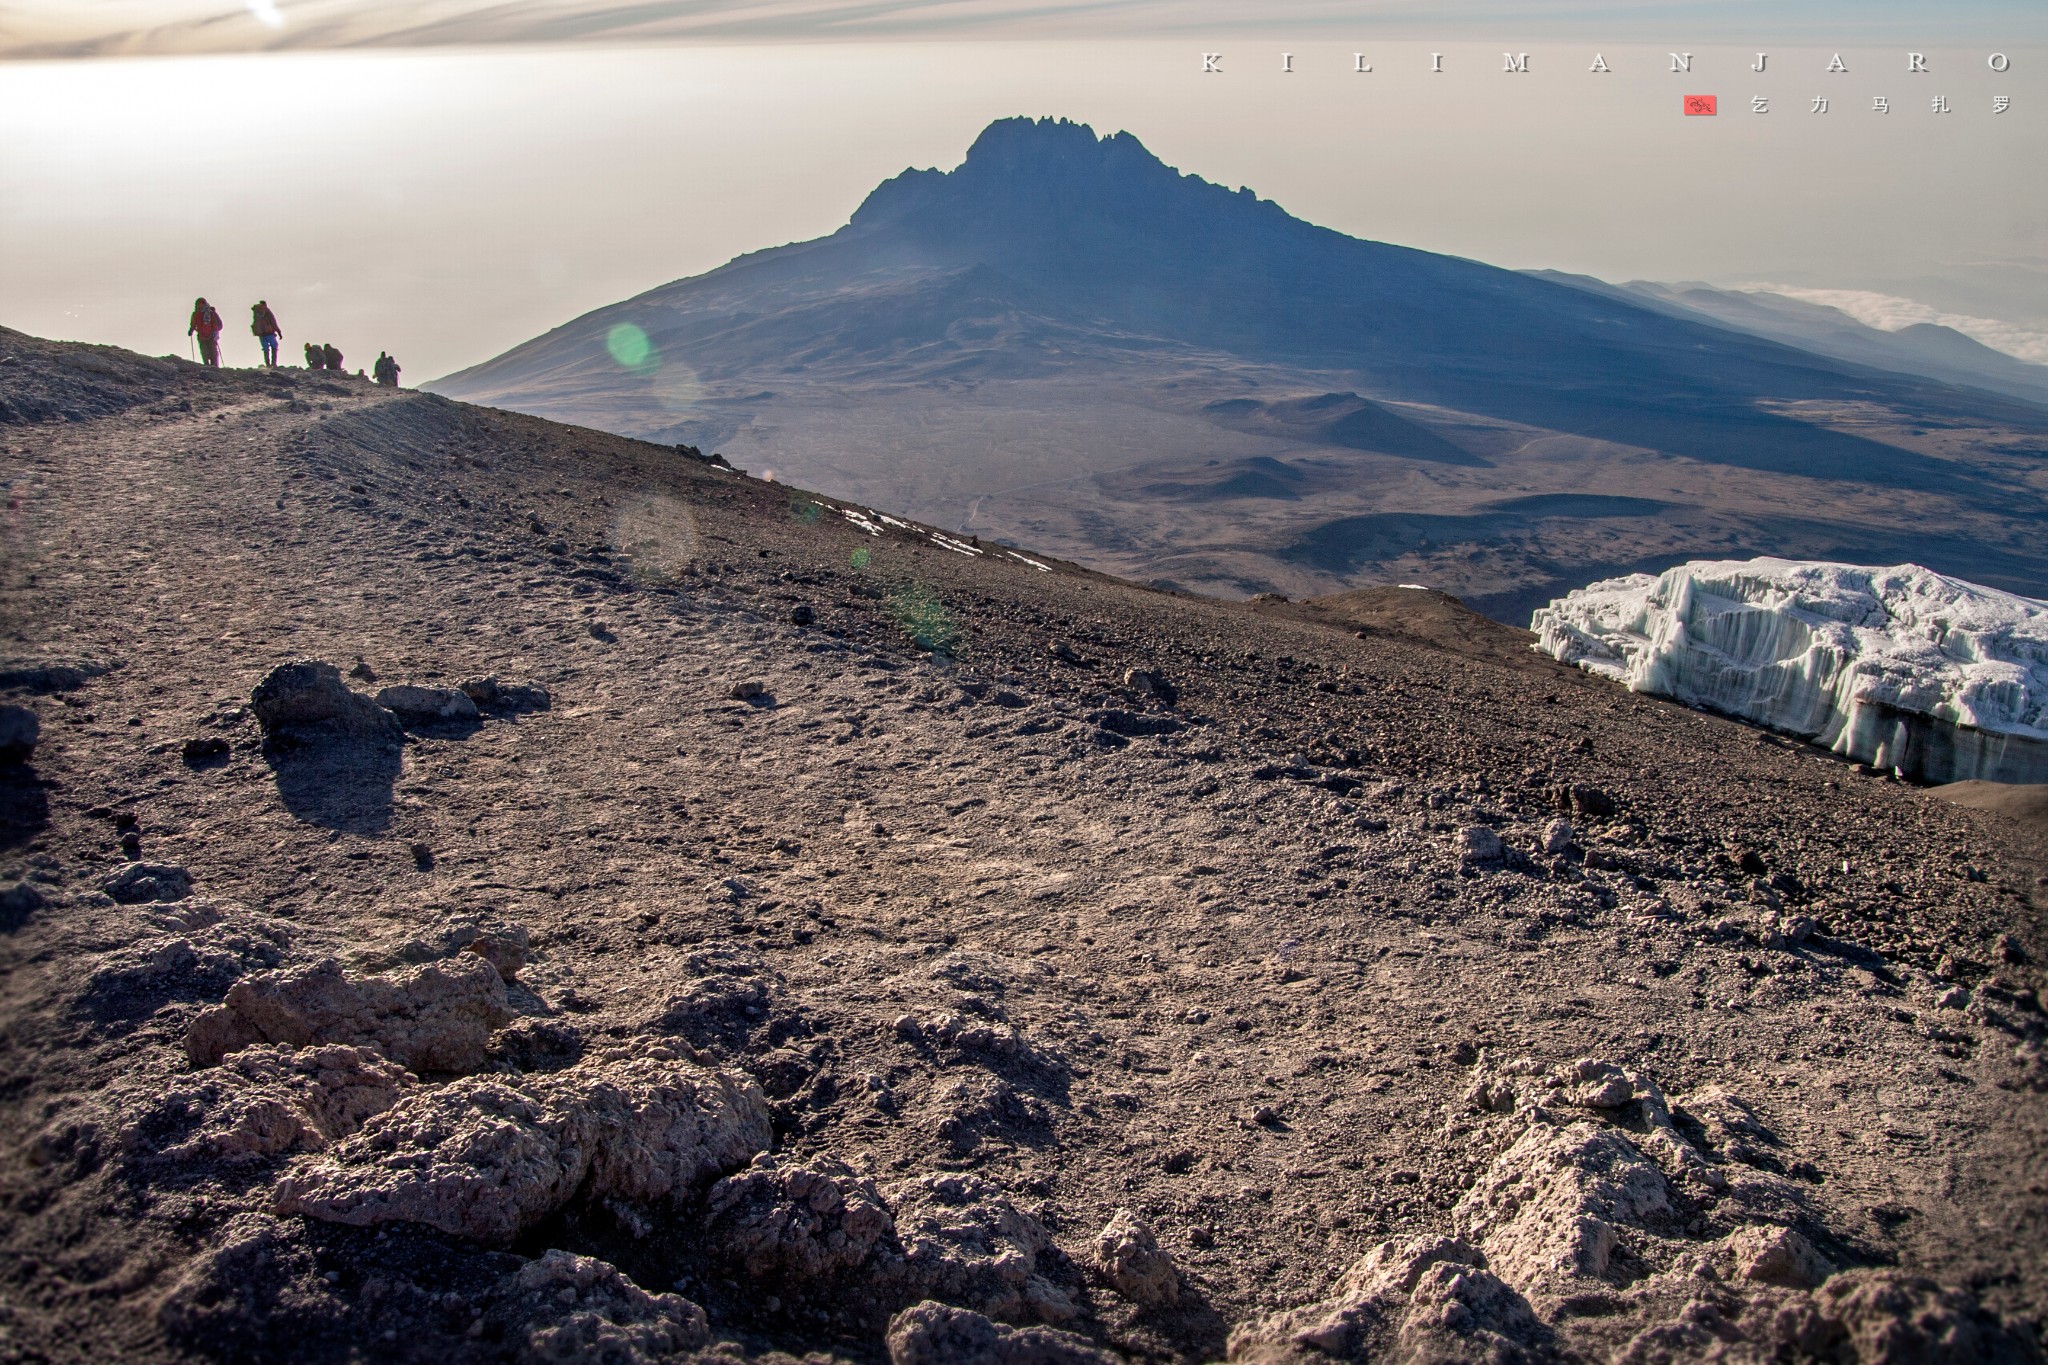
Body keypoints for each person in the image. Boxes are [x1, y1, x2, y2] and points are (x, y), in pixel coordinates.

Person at [187, 297, 224, 367]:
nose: (200, 305)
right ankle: (207, 366)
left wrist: (215, 332)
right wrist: (191, 330)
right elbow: (193, 324)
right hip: (202, 336)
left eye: (202, 304)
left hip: (211, 336)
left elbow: (214, 323)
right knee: (204, 352)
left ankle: (215, 366)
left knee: (213, 352)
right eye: (199, 304)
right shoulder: (196, 314)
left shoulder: (210, 313)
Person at [250, 301, 282, 366]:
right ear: (265, 304)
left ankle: (267, 364)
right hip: (269, 333)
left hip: (261, 334)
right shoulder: (268, 312)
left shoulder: (256, 312)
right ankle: (273, 363)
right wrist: (279, 332)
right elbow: (273, 323)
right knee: (274, 346)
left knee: (265, 348)